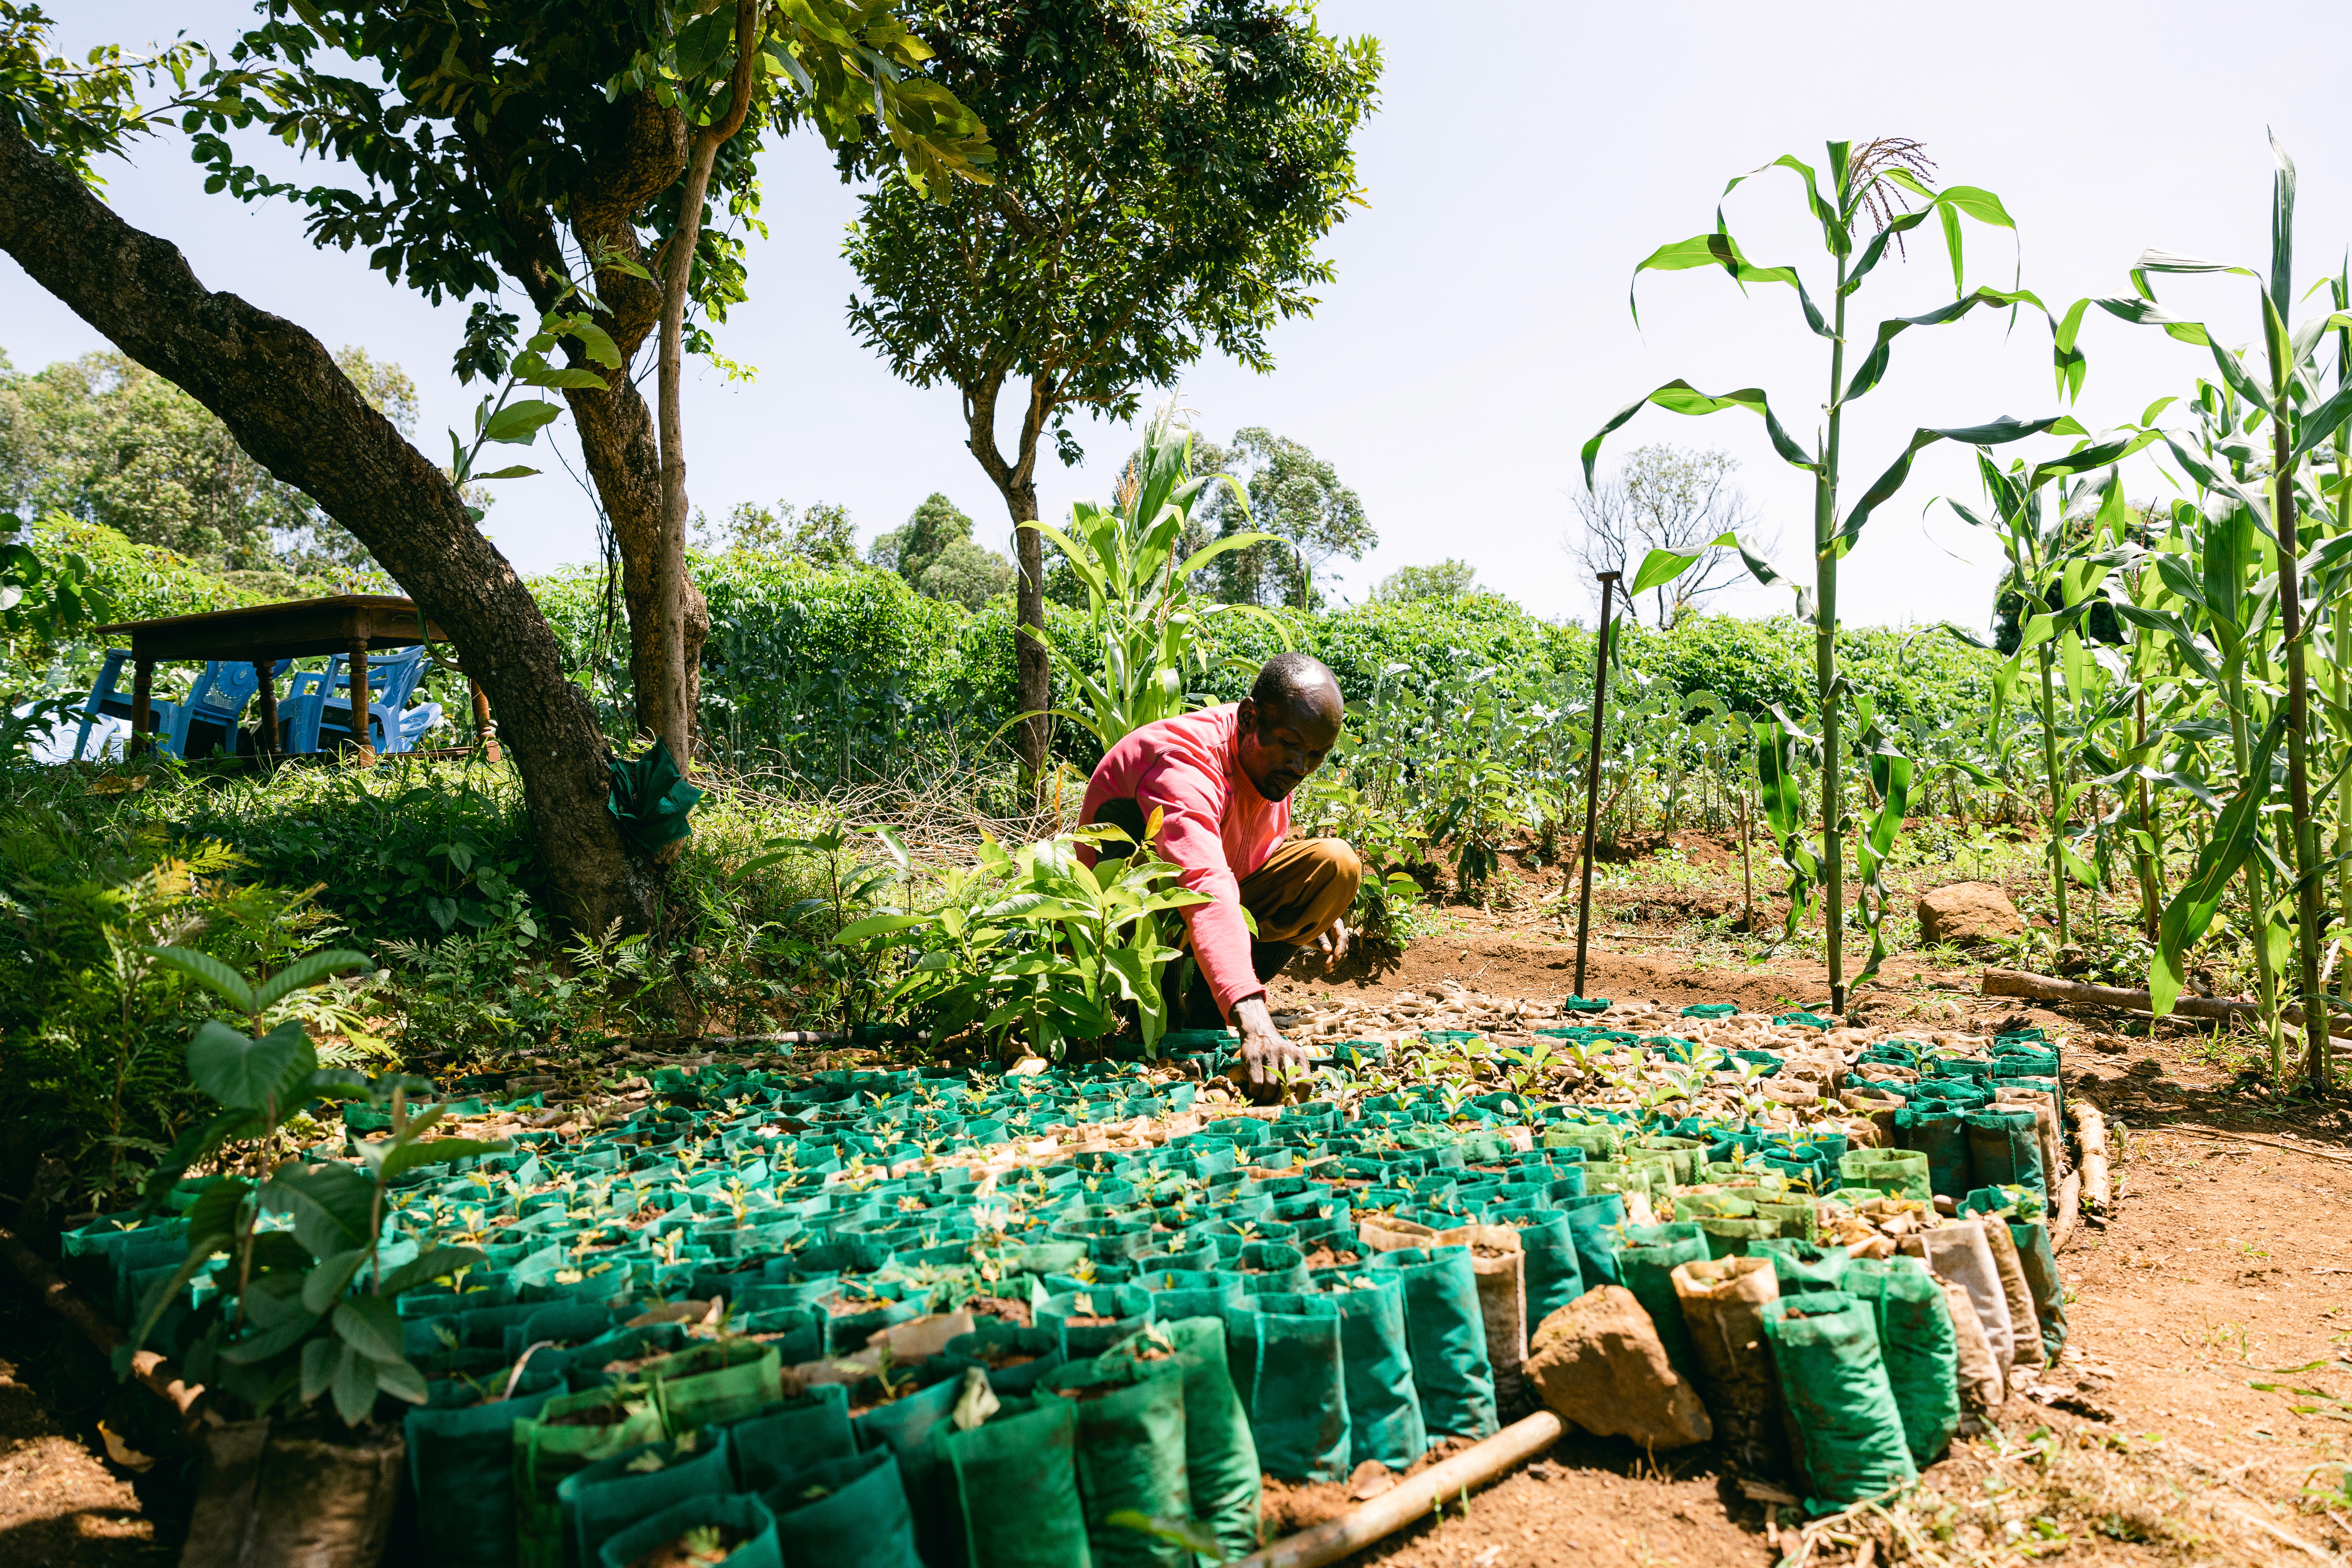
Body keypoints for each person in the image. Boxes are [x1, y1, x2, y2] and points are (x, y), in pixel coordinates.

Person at [1081, 651, 1361, 1096]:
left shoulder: (1268, 765)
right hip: (1123, 921)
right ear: (1250, 717)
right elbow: (1201, 882)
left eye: (1316, 755)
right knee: (1164, 892)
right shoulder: (1184, 764)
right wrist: (1256, 1020)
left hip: (1208, 892)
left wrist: (1311, 897)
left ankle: (1210, 1016)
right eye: (1291, 745)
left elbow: (1251, 850)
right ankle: (1164, 1012)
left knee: (1335, 866)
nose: (1301, 767)